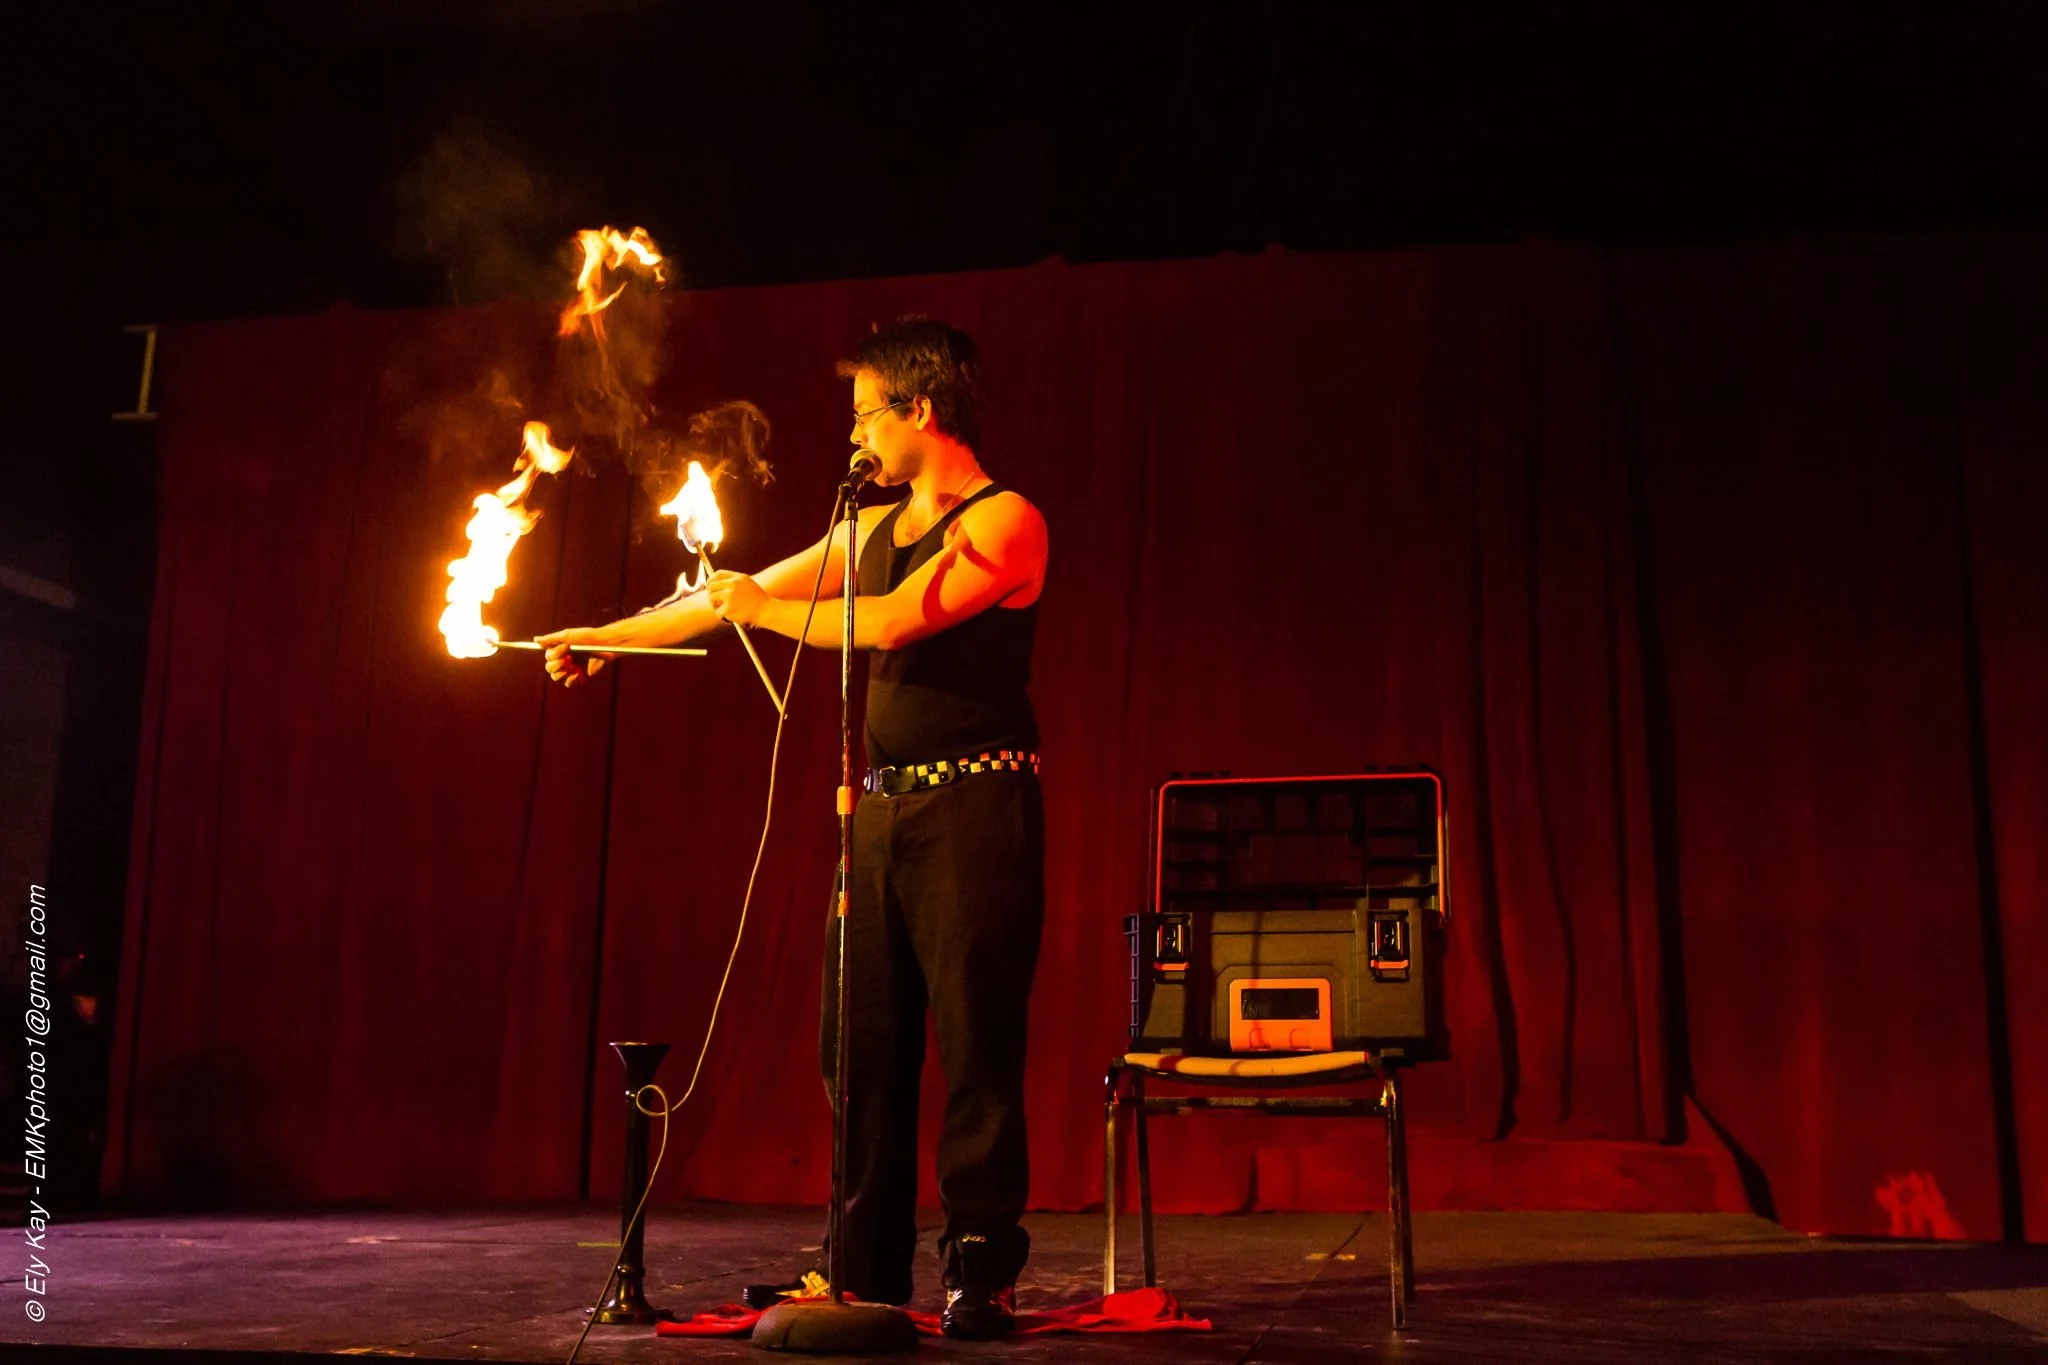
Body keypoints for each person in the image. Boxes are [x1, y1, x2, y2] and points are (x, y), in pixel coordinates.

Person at [538, 318, 1049, 1339]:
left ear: (921, 410)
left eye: (867, 413)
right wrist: (606, 639)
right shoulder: (867, 526)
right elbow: (736, 598)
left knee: (975, 1042)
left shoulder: (1004, 522)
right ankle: (859, 1270)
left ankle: (978, 1273)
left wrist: (761, 614)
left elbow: (897, 617)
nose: (853, 433)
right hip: (879, 810)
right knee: (857, 1047)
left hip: (976, 808)